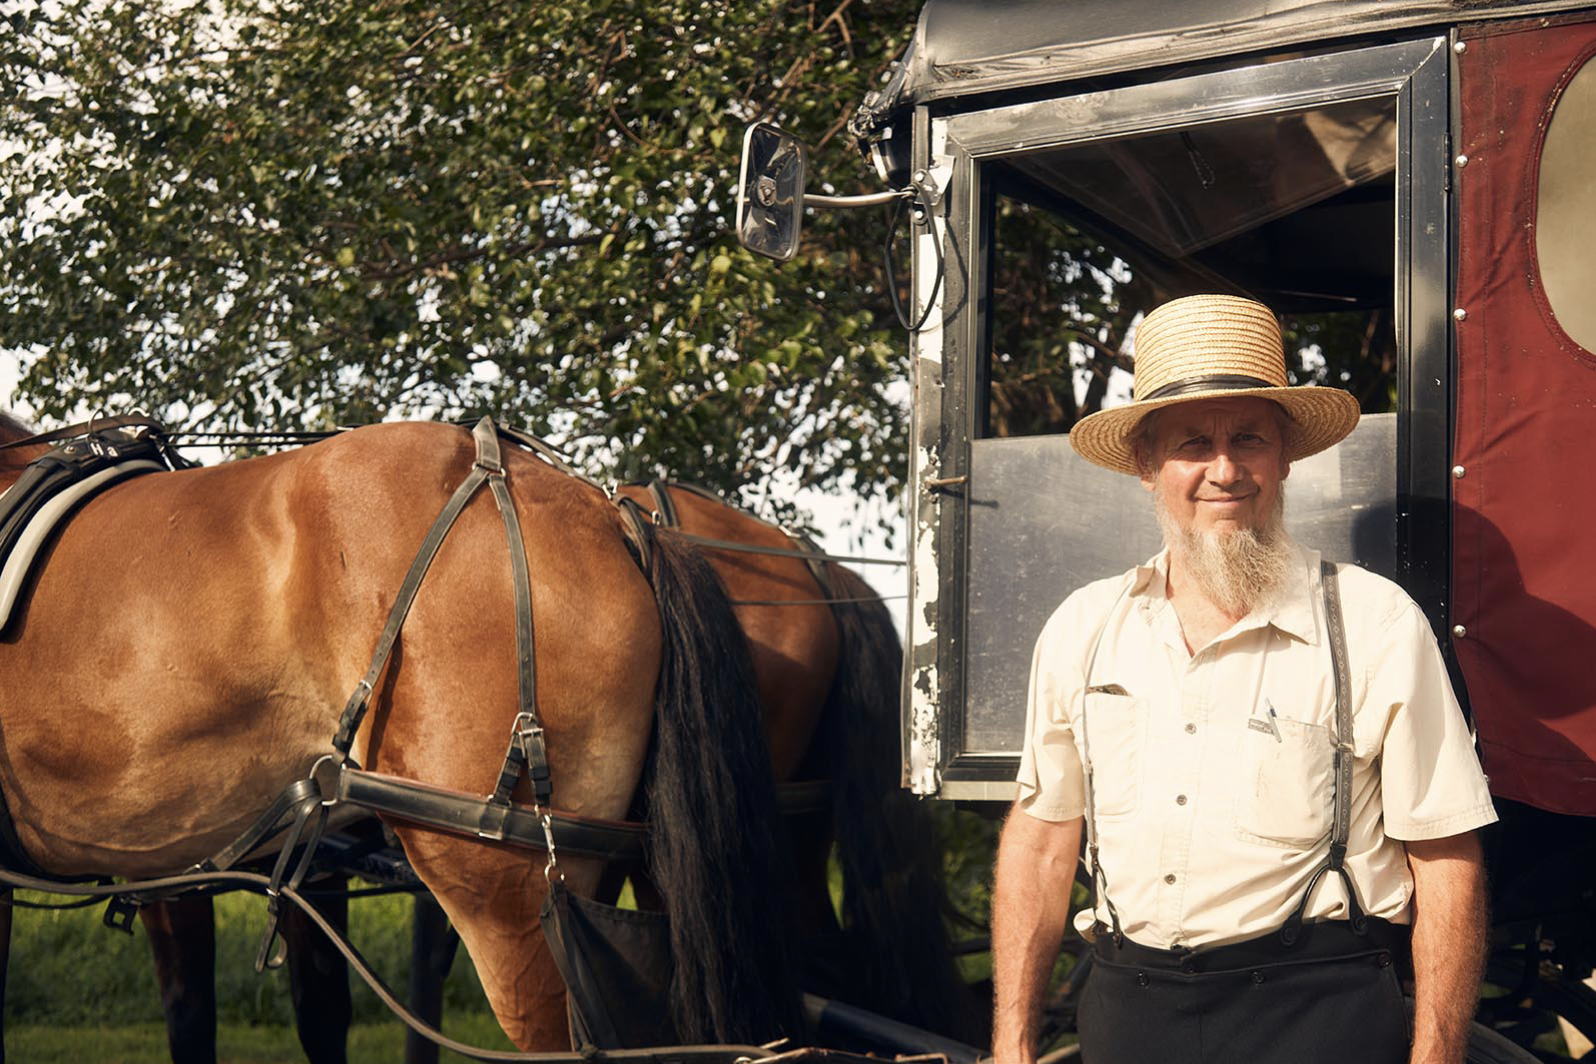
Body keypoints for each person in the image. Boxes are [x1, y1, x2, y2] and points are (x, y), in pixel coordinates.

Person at [990, 294, 1497, 1064]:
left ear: (1284, 455)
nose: (1224, 471)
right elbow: (1041, 844)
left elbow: (1446, 858)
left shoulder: (1374, 622)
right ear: (1147, 464)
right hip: (1130, 1020)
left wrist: (1436, 1058)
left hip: (1319, 1020)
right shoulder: (1084, 628)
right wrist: (1011, 1045)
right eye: (1194, 442)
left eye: (1248, 439)